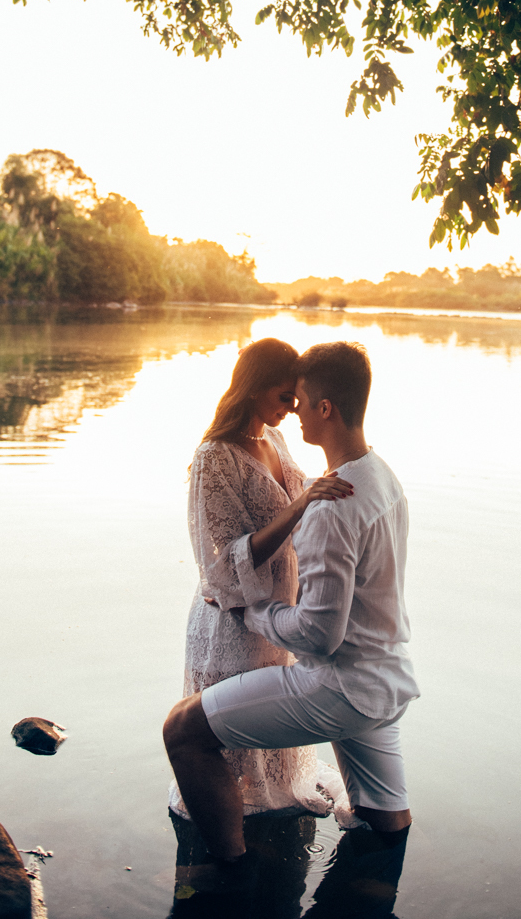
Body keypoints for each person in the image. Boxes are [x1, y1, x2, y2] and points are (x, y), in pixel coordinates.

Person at [164, 341, 419, 868]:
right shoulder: (382, 478)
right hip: (385, 677)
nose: (294, 408)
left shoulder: (332, 505)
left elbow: (321, 637)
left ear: (324, 407)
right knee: (386, 819)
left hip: (336, 681)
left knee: (182, 732)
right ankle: (372, 887)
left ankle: (231, 875)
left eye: (299, 398)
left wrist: (257, 614)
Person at [169, 336, 356, 824]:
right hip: (231, 627)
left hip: (276, 617)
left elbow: (304, 504)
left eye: (295, 398)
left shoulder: (274, 438)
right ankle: (228, 855)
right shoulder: (215, 456)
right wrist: (303, 504)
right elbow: (224, 560)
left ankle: (265, 832)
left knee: (270, 764)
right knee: (226, 750)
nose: (292, 409)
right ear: (253, 389)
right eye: (283, 397)